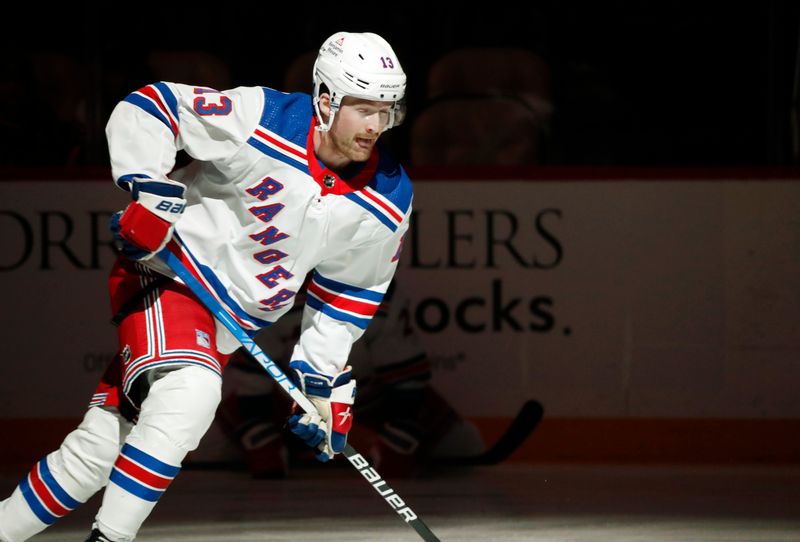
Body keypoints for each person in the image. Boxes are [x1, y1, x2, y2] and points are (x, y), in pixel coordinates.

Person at [0, 31, 410, 542]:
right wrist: (148, 186)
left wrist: (319, 382)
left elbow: (347, 295)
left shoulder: (390, 195)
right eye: (364, 108)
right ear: (325, 99)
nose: (376, 125)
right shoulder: (264, 118)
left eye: (387, 109)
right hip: (168, 278)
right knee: (191, 394)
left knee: (98, 449)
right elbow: (152, 107)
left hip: (225, 328)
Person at [194, 277, 485, 479]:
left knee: (465, 443)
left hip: (371, 402)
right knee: (207, 449)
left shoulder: (378, 289)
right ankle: (298, 448)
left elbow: (408, 388)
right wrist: (261, 440)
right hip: (290, 410)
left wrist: (400, 439)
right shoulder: (274, 290)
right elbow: (251, 387)